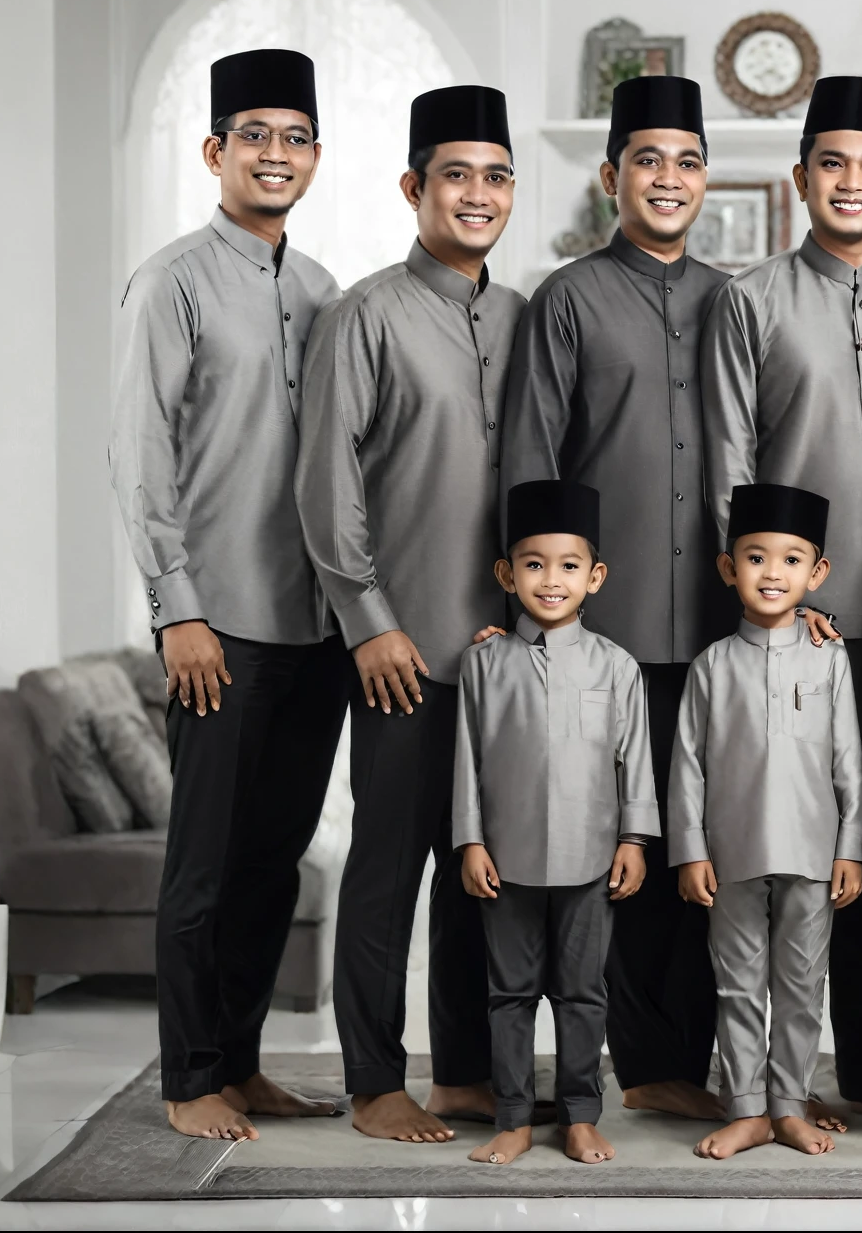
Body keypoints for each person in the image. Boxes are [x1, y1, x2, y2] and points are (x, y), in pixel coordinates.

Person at [702, 75, 862, 1118]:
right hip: (793, 632)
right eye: (831, 163)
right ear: (800, 176)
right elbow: (731, 466)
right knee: (797, 848)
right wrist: (763, 604)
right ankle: (768, 1078)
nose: (851, 183)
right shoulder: (751, 301)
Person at [110, 48, 349, 1141]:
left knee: (270, 863)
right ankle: (187, 1078)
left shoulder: (320, 292)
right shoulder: (170, 281)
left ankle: (242, 1063)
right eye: (252, 134)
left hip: (314, 630)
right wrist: (178, 609)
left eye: (293, 137)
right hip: (217, 626)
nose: (273, 154)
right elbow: (138, 453)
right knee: (203, 866)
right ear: (215, 152)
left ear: (313, 159)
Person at [496, 74, 732, 1120]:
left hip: (726, 630)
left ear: (705, 179)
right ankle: (642, 1068)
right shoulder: (567, 299)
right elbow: (533, 464)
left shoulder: (737, 298)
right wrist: (529, 616)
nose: (667, 178)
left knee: (700, 847)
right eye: (647, 159)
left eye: (686, 160)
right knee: (618, 856)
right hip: (607, 636)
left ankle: (701, 1054)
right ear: (611, 177)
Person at [296, 84, 521, 1141]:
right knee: (388, 869)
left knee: (482, 868)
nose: (477, 195)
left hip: (505, 655)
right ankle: (375, 1080)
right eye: (456, 175)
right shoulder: (366, 315)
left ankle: (466, 1071)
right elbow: (324, 483)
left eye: (496, 176)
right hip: (399, 649)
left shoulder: (524, 318)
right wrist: (368, 621)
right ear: (413, 187)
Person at [453, 479, 657, 1166]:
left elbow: (636, 763)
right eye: (533, 564)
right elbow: (467, 761)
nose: (551, 579)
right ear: (506, 575)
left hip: (591, 856)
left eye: (569, 565)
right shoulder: (483, 663)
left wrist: (634, 841)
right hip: (504, 857)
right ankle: (511, 1115)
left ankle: (578, 1113)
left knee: (582, 991)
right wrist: (470, 841)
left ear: (594, 577)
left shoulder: (619, 667)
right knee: (508, 993)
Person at [670, 483, 862, 1159]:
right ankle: (747, 1107)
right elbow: (688, 766)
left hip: (814, 852)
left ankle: (789, 1104)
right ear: (729, 568)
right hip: (730, 853)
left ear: (816, 575)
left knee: (804, 983)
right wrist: (691, 851)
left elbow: (849, 762)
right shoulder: (710, 667)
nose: (772, 573)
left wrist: (852, 847)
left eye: (791, 561)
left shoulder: (829, 657)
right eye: (756, 557)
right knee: (737, 981)